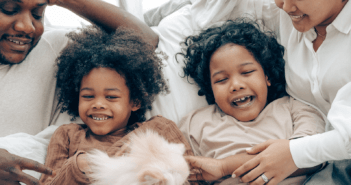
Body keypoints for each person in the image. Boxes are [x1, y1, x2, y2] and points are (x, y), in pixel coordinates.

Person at [0, 0, 158, 184]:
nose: (27, 27)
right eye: (9, 10)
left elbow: (145, 40)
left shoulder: (52, 49)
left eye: (37, 14)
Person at [39, 25, 193, 184]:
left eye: (111, 97)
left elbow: (195, 178)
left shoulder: (160, 129)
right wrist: (77, 166)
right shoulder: (67, 136)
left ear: (135, 101)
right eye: (88, 96)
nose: (98, 104)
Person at [177, 19, 325, 184]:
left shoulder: (295, 108)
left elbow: (313, 156)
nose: (236, 85)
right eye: (221, 80)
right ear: (210, 88)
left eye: (247, 72)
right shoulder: (195, 124)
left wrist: (225, 167)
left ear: (267, 76)